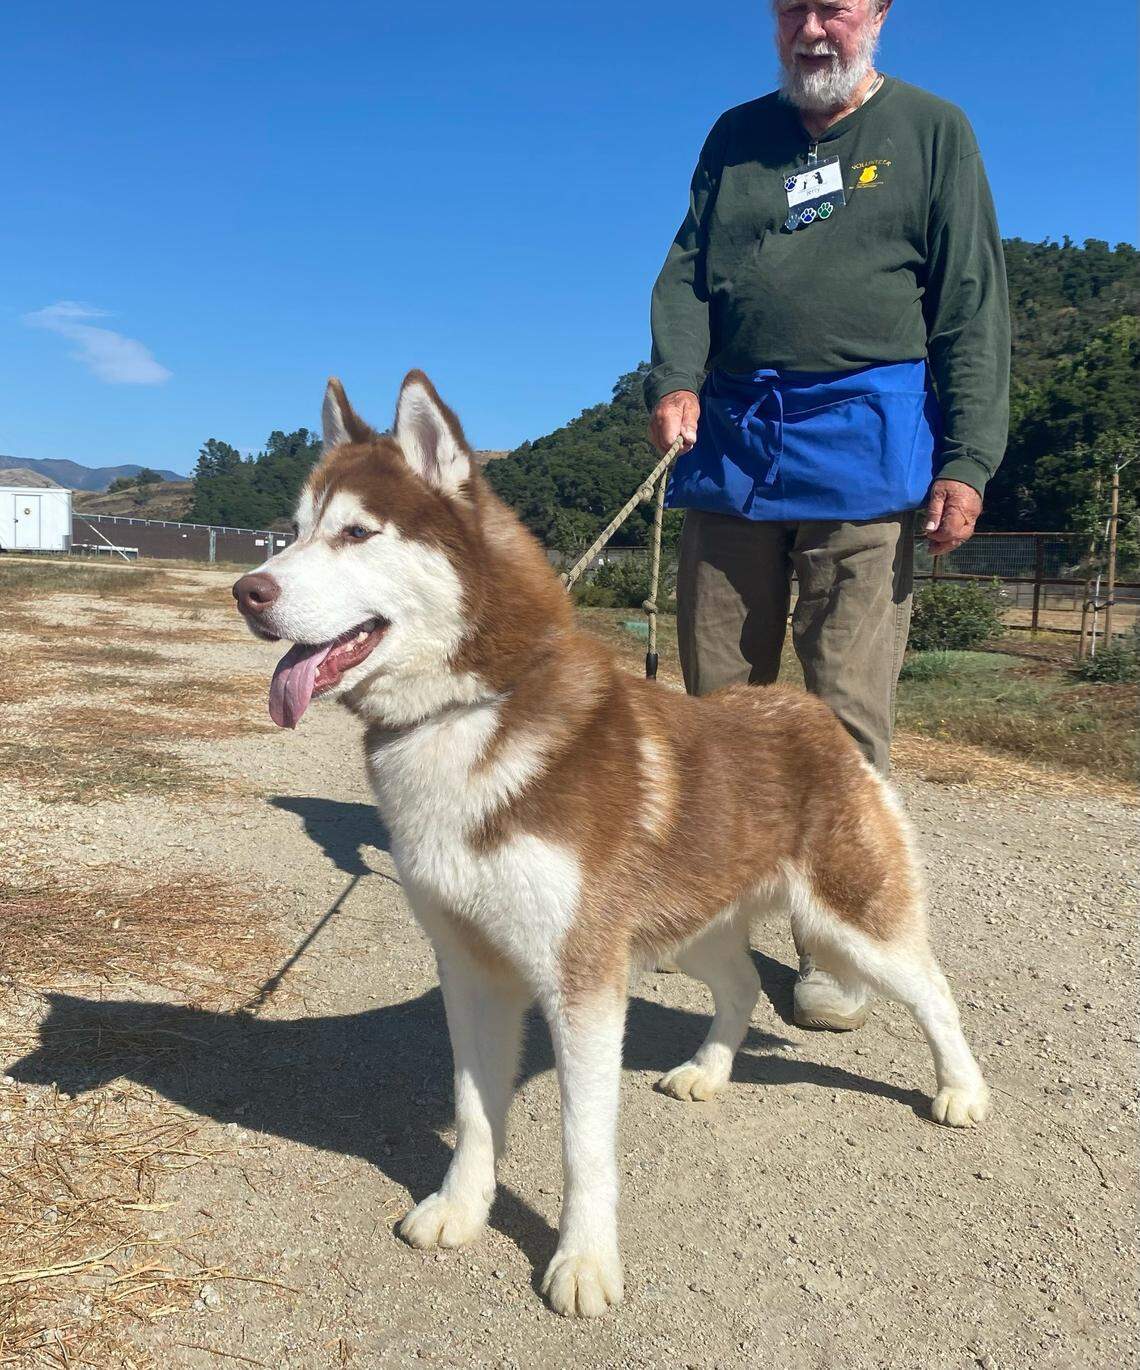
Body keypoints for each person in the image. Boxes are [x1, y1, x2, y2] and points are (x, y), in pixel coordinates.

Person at [645, 0, 1010, 1030]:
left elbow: (972, 302)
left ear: (878, 15)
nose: (816, 27)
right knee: (719, 707)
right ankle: (718, 924)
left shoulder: (933, 132)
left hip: (868, 447)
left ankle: (840, 940)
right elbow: (685, 273)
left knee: (843, 713)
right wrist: (674, 377)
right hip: (734, 446)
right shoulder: (735, 136)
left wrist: (968, 457)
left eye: (837, 6)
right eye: (795, 6)